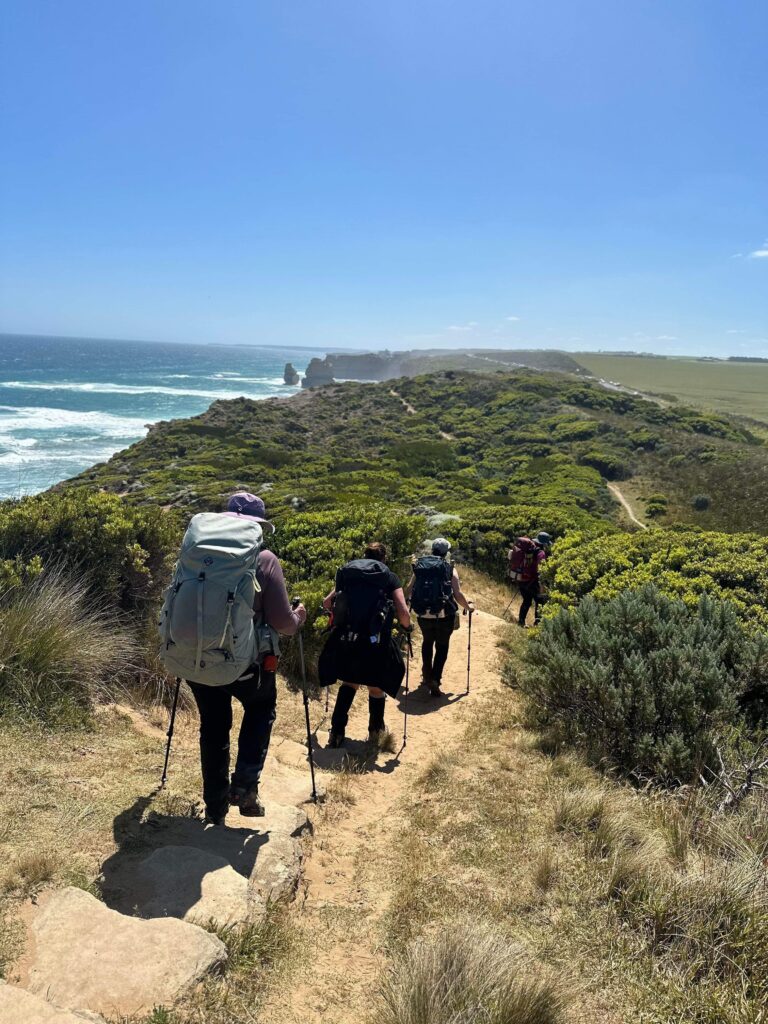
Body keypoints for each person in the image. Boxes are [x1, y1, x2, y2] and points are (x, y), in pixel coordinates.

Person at [186, 492, 306, 825]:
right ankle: (244, 787)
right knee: (260, 708)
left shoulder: (198, 554)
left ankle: (215, 806)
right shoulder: (264, 559)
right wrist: (299, 618)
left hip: (198, 658)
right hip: (246, 664)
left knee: (213, 727)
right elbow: (283, 623)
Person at [319, 541, 412, 748]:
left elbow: (327, 603)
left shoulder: (348, 573)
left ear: (364, 555)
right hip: (376, 642)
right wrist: (408, 627)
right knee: (376, 688)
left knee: (349, 682)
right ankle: (375, 733)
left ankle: (336, 731)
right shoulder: (389, 577)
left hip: (348, 638)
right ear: (383, 558)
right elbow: (403, 612)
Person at [406, 538, 473, 696]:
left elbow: (408, 590)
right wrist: (468, 607)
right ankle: (435, 679)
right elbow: (457, 594)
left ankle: (427, 674)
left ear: (432, 550)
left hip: (423, 613)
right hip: (443, 615)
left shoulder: (419, 566)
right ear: (446, 552)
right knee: (442, 647)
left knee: (427, 642)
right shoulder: (449, 568)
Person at [517, 530, 551, 628]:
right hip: (532, 581)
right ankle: (537, 624)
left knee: (527, 600)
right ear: (544, 543)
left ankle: (521, 621)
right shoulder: (541, 553)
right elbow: (541, 569)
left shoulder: (527, 549)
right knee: (540, 601)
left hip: (521, 579)